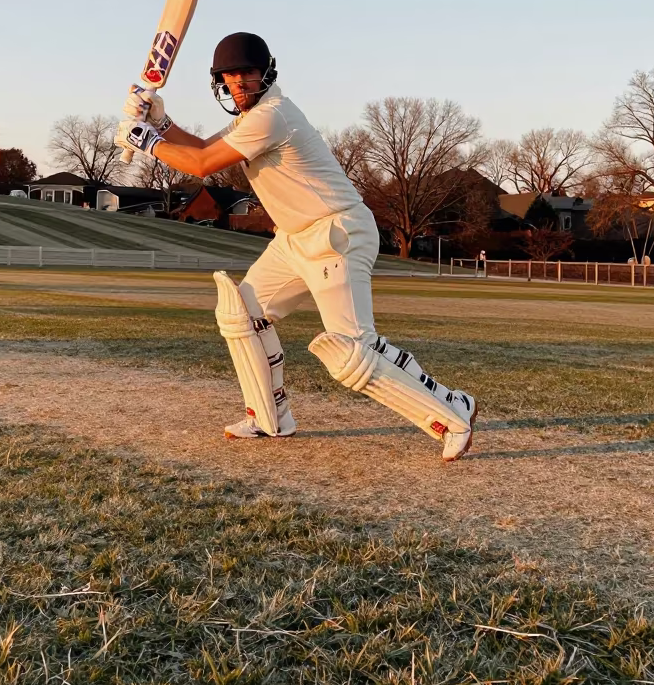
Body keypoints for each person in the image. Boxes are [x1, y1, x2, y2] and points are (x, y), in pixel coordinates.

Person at [116, 32, 477, 461]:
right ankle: (269, 419)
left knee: (350, 351)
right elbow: (204, 147)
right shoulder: (248, 121)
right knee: (241, 315)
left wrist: (149, 141)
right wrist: (162, 122)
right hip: (293, 240)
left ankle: (453, 409)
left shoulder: (274, 115)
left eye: (246, 74)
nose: (238, 85)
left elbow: (201, 165)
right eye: (229, 77)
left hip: (335, 235)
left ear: (266, 72)